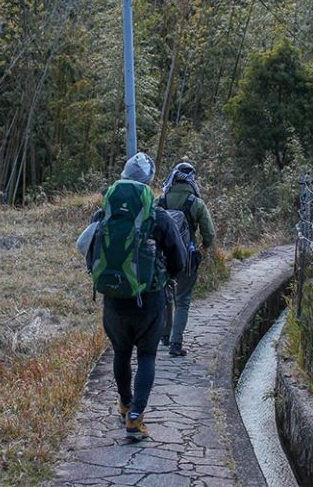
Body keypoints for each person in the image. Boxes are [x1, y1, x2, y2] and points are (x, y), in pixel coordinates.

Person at [84, 152, 186, 441]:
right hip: (149, 299)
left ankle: (124, 402)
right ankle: (136, 417)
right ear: (149, 182)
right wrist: (163, 275)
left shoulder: (104, 213)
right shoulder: (158, 215)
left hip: (113, 299)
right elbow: (179, 260)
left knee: (121, 352)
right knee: (147, 355)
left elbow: (89, 255)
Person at [158, 161, 216, 357]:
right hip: (187, 258)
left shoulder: (162, 199)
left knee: (165, 296)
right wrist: (203, 248)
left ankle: (164, 336)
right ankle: (176, 344)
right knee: (182, 300)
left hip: (163, 257)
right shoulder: (196, 203)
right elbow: (209, 233)